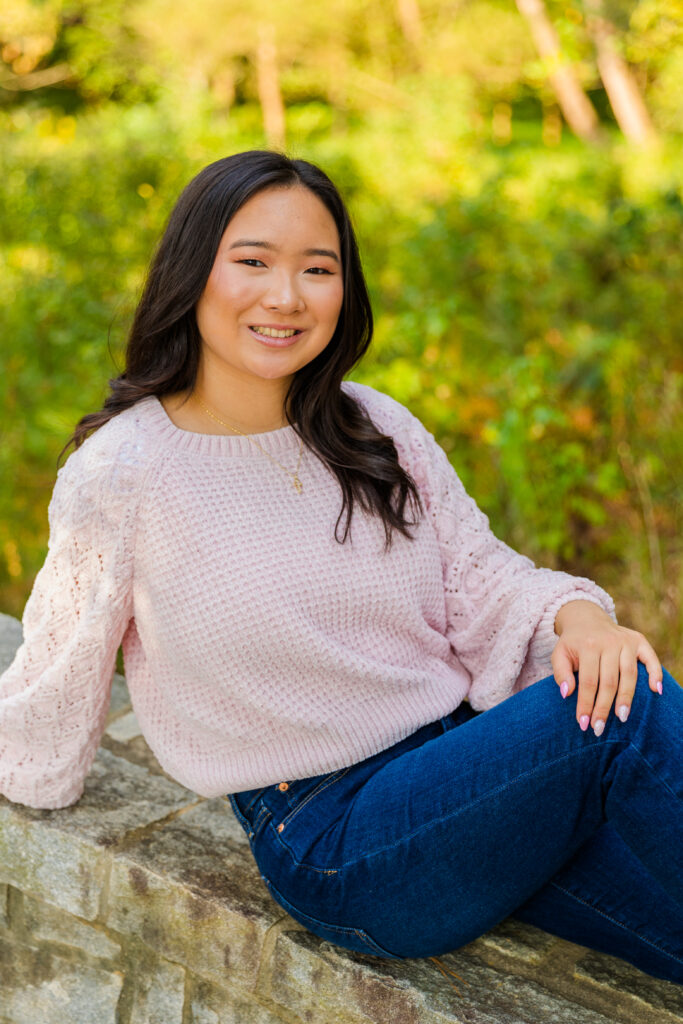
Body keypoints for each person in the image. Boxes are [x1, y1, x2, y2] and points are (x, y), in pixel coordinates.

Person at [0, 150, 681, 985]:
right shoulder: (125, 471)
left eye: (316, 269)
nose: (284, 297)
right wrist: (30, 766)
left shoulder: (373, 426)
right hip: (336, 838)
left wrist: (585, 619)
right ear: (192, 272)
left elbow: (481, 579)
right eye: (252, 261)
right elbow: (60, 660)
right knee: (627, 711)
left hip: (462, 774)